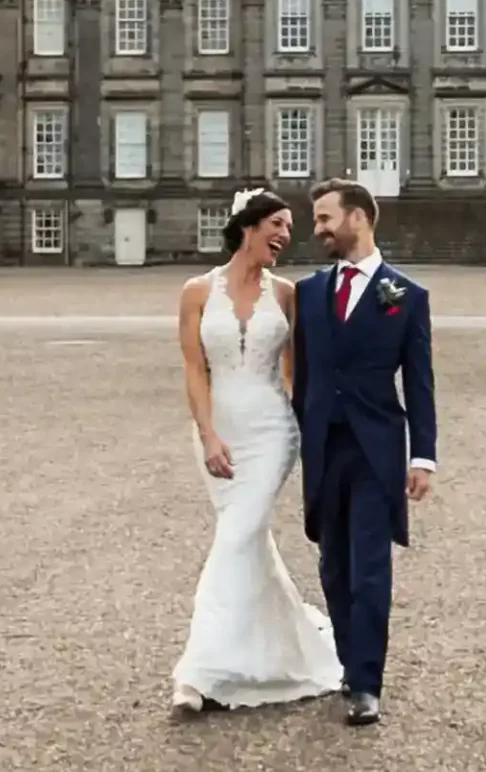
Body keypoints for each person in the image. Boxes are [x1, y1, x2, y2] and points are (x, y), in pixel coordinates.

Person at [170, 188, 343, 714]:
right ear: (248, 226)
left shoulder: (287, 293)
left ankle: (198, 672)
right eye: (278, 225)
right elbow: (195, 369)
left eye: (290, 229)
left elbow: (297, 372)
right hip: (220, 429)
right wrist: (207, 435)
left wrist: (314, 429)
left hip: (272, 432)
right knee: (243, 541)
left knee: (238, 535)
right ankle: (277, 646)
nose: (286, 237)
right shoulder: (196, 291)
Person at [290, 179, 437, 726]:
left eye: (326, 218)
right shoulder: (308, 292)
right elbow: (302, 377)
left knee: (369, 570)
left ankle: (368, 684)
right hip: (325, 448)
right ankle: (350, 664)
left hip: (377, 448)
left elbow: (420, 382)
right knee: (333, 566)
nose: (319, 229)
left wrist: (424, 456)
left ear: (359, 218)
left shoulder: (406, 296)